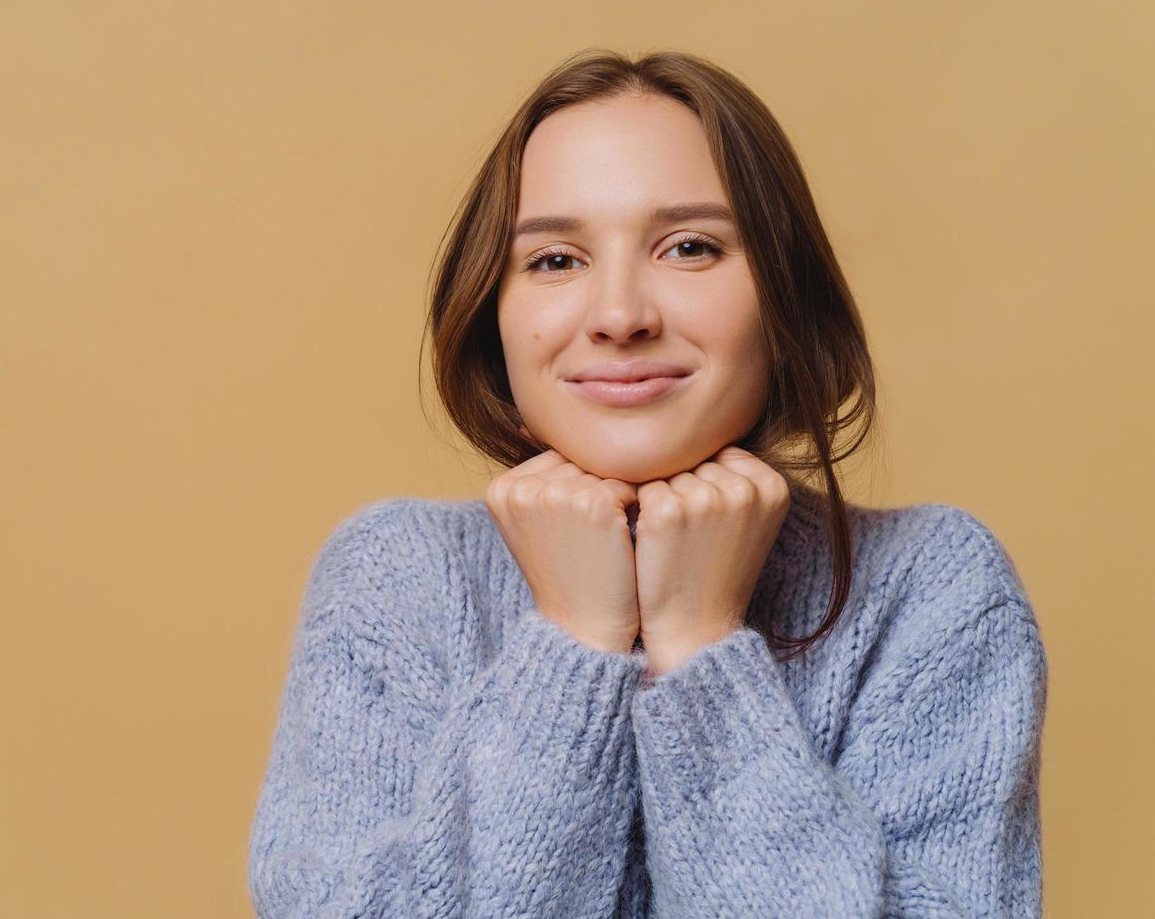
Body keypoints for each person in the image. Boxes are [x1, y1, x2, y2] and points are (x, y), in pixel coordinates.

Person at [246, 49, 1048, 917]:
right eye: (555, 260)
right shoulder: (395, 579)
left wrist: (704, 650)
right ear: (493, 320)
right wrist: (573, 643)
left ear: (784, 300)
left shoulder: (933, 590)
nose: (621, 316)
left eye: (690, 247)